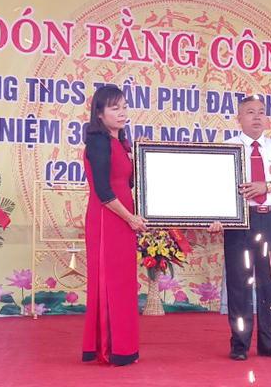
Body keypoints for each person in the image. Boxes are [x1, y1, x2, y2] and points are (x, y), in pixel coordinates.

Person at [209, 95, 271, 361]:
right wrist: (215, 216)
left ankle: (269, 343)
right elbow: (216, 186)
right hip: (239, 223)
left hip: (269, 219)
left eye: (261, 112)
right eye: (250, 112)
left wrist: (268, 186)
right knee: (238, 284)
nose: (257, 117)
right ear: (239, 118)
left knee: (268, 283)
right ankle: (239, 344)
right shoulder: (229, 147)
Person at [82, 85, 148, 366]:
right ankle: (110, 349)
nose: (122, 113)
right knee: (110, 282)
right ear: (99, 113)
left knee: (123, 283)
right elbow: (103, 190)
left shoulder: (120, 142)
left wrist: (139, 155)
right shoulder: (98, 142)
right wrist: (130, 218)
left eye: (124, 107)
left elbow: (128, 183)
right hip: (107, 218)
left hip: (122, 217)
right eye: (114, 108)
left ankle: (123, 347)